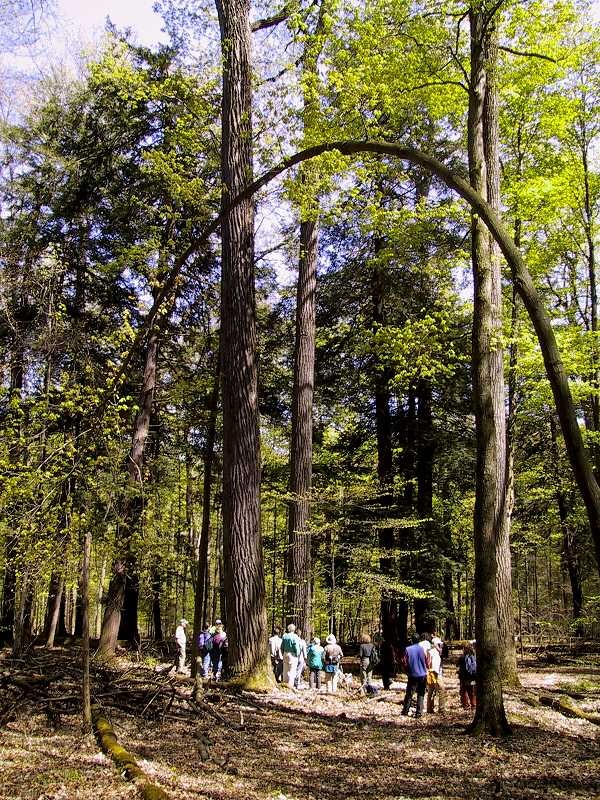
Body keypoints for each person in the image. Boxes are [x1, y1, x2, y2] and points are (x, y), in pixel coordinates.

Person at [401, 634, 428, 717]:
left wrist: (406, 671)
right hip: (422, 674)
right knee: (421, 693)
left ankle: (405, 711)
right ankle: (419, 712)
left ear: (412, 640)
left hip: (413, 674)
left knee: (409, 693)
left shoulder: (408, 649)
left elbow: (404, 662)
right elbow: (426, 661)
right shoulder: (422, 649)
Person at [426, 635, 446, 713]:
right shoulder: (434, 652)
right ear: (435, 644)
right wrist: (437, 676)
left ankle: (429, 708)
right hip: (434, 673)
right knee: (441, 689)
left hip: (432, 673)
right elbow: (434, 665)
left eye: (440, 645)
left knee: (431, 691)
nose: (440, 646)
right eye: (439, 645)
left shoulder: (432, 651)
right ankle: (442, 709)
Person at [458, 642, 477, 710]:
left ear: (464, 649)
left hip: (464, 677)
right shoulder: (474, 656)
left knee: (464, 691)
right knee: (472, 691)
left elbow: (458, 665)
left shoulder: (462, 657)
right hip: (472, 676)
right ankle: (473, 704)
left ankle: (465, 705)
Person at [281, 623, 301, 688]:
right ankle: (290, 685)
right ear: (294, 629)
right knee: (292, 670)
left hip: (285, 653)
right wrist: (297, 654)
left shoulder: (284, 636)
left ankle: (284, 683)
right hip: (293, 655)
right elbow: (296, 647)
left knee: (285, 670)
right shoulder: (295, 637)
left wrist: (282, 653)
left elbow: (282, 646)